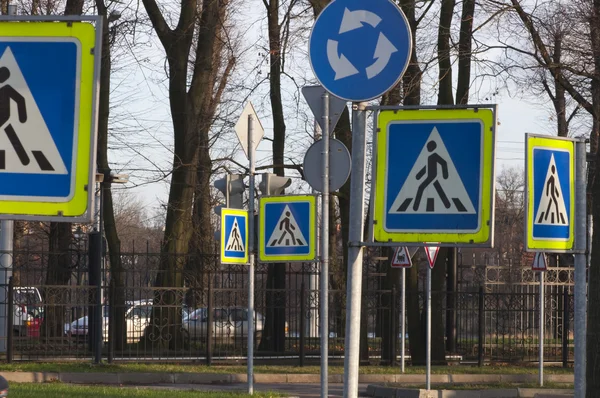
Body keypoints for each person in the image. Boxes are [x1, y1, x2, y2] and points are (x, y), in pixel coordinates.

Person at [0, 66, 29, 166]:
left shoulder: (7, 89)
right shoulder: (6, 88)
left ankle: (25, 160)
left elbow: (20, 100)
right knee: (12, 136)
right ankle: (25, 160)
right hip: (5, 119)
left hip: (4, 119)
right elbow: (20, 100)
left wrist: (22, 118)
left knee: (13, 137)